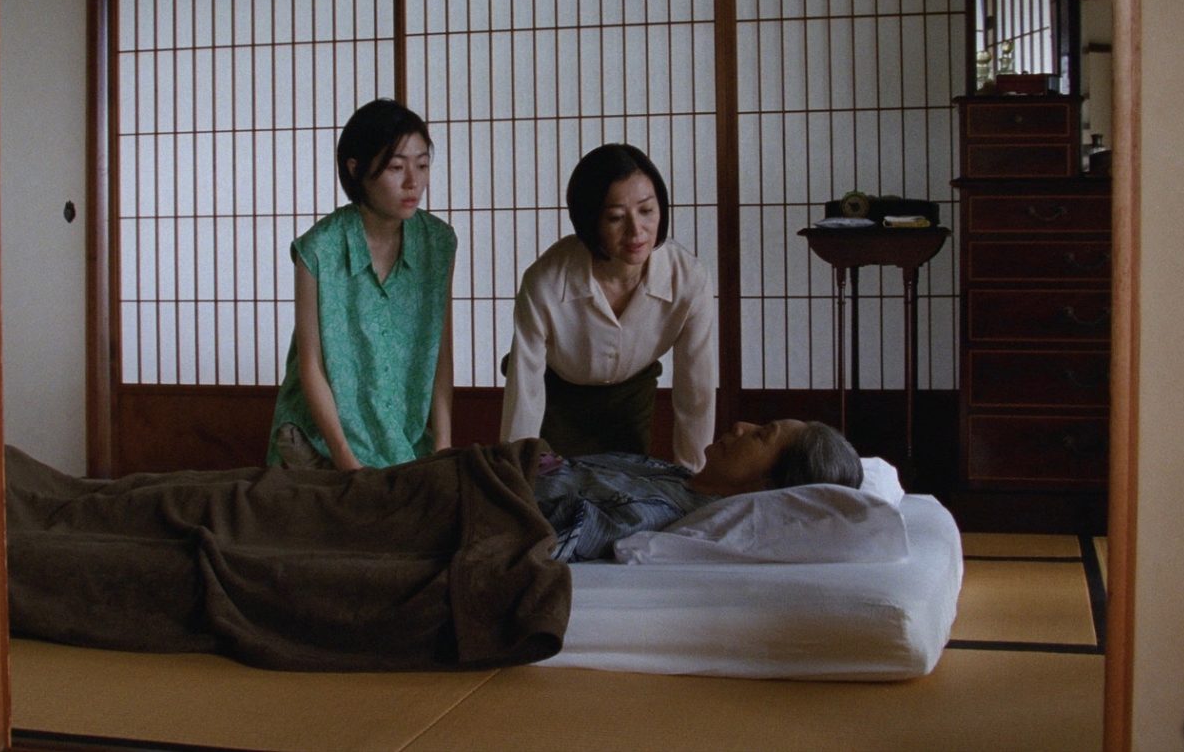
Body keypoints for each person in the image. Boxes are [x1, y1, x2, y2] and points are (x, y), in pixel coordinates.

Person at [500, 143, 717, 470]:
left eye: (646, 211)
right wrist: (513, 477)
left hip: (632, 394)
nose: (636, 231)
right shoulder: (546, 281)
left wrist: (696, 477)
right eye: (616, 217)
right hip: (556, 393)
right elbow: (525, 389)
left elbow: (696, 390)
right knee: (552, 487)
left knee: (626, 483)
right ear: (590, 221)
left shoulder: (688, 279)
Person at [267, 98, 457, 471]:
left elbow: (441, 351)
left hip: (400, 432)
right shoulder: (318, 249)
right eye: (396, 167)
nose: (413, 182)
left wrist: (443, 447)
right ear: (356, 170)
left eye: (422, 165)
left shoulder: (438, 242)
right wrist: (348, 463)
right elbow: (311, 366)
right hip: (322, 434)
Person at [535, 419, 862, 562]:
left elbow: (541, 537)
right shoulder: (673, 473)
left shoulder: (653, 514)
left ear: (770, 486)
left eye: (761, 435)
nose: (741, 426)